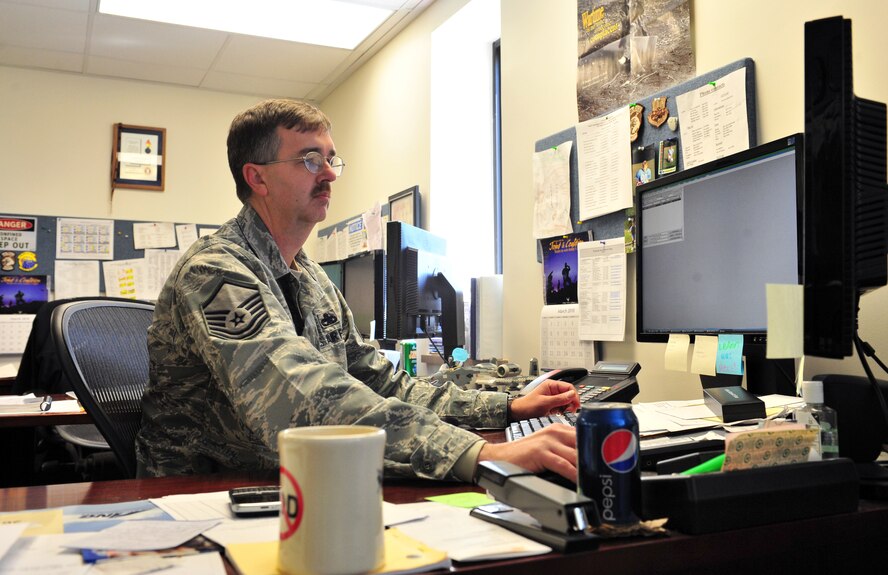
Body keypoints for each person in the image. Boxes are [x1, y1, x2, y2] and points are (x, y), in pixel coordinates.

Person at [135, 99, 580, 483]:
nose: (329, 174)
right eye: (310, 159)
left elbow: (378, 379)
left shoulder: (310, 278)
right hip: (204, 495)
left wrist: (503, 407)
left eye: (331, 158)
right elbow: (300, 397)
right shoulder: (214, 271)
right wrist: (476, 454)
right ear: (258, 178)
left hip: (301, 477)